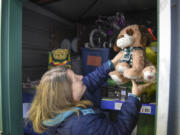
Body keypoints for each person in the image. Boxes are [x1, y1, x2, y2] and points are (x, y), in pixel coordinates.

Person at [28, 52, 152, 135]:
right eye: (76, 79)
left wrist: (111, 63)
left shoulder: (62, 104)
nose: (81, 76)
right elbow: (119, 131)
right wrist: (134, 97)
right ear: (66, 94)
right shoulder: (82, 125)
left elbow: (91, 80)